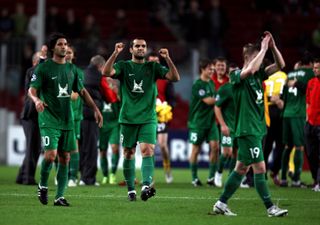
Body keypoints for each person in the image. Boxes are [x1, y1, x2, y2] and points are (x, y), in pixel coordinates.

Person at [213, 31, 288, 217]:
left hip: (256, 128)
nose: (262, 59)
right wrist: (262, 48)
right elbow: (250, 70)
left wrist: (272, 47)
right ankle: (271, 208)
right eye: (258, 56)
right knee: (260, 168)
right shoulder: (236, 75)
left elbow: (281, 65)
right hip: (247, 129)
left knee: (241, 168)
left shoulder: (258, 76)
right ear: (248, 57)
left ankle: (221, 203)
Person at [29, 33, 103, 206]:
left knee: (65, 158)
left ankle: (59, 197)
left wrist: (95, 109)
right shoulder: (44, 68)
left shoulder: (73, 71)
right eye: (60, 44)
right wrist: (37, 100)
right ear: (53, 48)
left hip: (67, 120)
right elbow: (32, 90)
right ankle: (42, 185)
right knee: (50, 155)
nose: (64, 47)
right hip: (49, 118)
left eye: (66, 44)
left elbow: (83, 92)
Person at [102, 38, 180, 201]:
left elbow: (174, 77)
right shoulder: (124, 66)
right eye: (137, 46)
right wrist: (115, 53)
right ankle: (131, 190)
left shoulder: (153, 67)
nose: (140, 48)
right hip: (128, 118)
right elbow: (106, 72)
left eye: (143, 46)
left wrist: (168, 59)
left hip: (148, 118)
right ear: (131, 49)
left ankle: (145, 185)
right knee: (128, 152)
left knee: (148, 150)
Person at [280, 54, 314, 187]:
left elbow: (283, 95)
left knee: (288, 146)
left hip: (286, 113)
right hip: (298, 113)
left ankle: (283, 178)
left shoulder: (290, 74)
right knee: (299, 146)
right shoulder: (311, 73)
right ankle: (296, 180)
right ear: (311, 63)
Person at [188, 59, 219, 187]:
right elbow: (208, 101)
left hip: (211, 122)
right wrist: (225, 98)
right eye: (210, 69)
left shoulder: (212, 83)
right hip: (198, 122)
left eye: (213, 69)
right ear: (202, 69)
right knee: (196, 149)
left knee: (215, 147)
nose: (212, 71)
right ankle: (194, 178)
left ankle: (211, 177)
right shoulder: (198, 85)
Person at [147, 52, 175, 184]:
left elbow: (171, 99)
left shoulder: (165, 79)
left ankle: (167, 170)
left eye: (156, 61)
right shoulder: (142, 77)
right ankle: (149, 176)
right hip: (147, 115)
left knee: (163, 146)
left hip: (161, 115)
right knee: (150, 147)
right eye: (151, 61)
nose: (154, 63)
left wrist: (166, 109)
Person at [16, 51, 42, 185]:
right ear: (34, 62)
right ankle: (28, 178)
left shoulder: (39, 73)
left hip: (36, 116)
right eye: (40, 59)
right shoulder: (31, 71)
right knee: (33, 146)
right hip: (29, 116)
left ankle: (21, 176)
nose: (43, 61)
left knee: (35, 147)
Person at [79, 55, 106, 186]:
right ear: (100, 66)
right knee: (91, 148)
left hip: (79, 114)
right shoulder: (100, 77)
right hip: (91, 115)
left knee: (81, 146)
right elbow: (109, 95)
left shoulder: (82, 73)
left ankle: (78, 175)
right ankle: (88, 178)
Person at [213, 64, 238, 188]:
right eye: (232, 72)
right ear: (228, 75)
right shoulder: (225, 89)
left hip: (240, 126)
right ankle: (218, 173)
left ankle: (231, 178)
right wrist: (223, 125)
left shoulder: (242, 88)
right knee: (227, 152)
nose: (235, 74)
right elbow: (217, 107)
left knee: (236, 153)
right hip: (228, 126)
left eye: (237, 72)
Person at [263, 70, 287, 186]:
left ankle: (270, 171)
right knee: (274, 145)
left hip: (272, 112)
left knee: (273, 145)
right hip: (274, 112)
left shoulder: (266, 76)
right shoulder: (283, 76)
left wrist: (272, 99)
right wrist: (279, 100)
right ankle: (270, 171)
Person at [65, 45, 83, 187]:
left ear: (73, 55)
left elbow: (76, 96)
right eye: (65, 51)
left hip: (74, 115)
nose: (67, 54)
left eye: (70, 52)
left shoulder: (78, 72)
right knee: (59, 146)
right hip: (58, 115)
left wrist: (59, 94)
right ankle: (61, 175)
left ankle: (72, 177)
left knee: (74, 146)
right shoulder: (55, 69)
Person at [99, 78, 121, 185]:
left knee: (115, 148)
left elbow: (123, 104)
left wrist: (117, 93)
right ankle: (105, 175)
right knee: (102, 151)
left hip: (114, 125)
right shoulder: (99, 90)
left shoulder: (117, 90)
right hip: (102, 126)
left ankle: (113, 174)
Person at [305, 58, 320, 191]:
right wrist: (307, 118)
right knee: (310, 154)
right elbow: (308, 102)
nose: (315, 70)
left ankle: (319, 182)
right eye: (314, 68)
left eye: (317, 68)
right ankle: (316, 180)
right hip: (310, 123)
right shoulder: (310, 82)